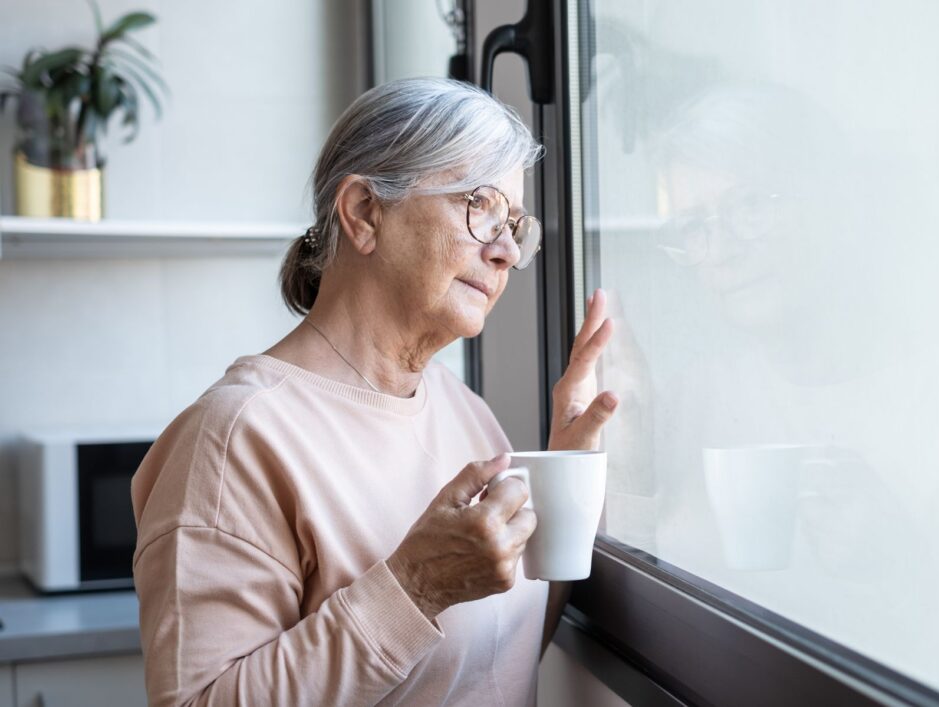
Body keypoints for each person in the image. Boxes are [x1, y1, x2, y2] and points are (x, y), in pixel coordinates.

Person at [130, 77, 619, 706]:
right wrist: (414, 587)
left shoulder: (466, 414)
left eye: (515, 226)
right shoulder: (232, 439)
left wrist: (565, 476)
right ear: (364, 212)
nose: (504, 252)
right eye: (479, 206)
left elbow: (494, 663)